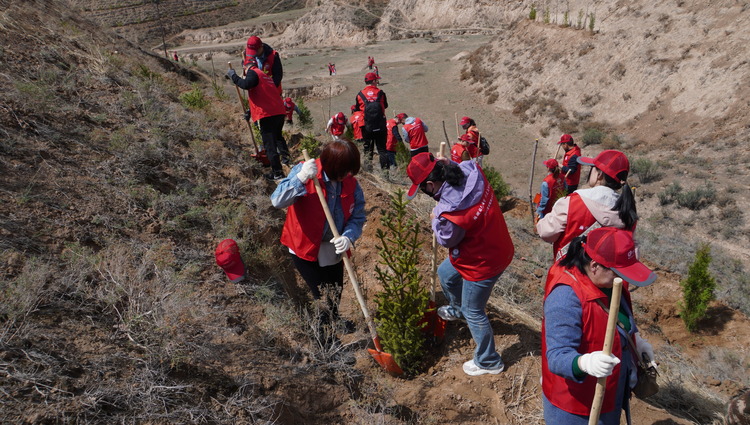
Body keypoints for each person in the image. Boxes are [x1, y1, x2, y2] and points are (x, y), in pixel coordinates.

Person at [406, 153, 514, 376]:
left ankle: (489, 360)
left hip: (483, 262)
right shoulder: (472, 173)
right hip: (494, 243)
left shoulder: (451, 212)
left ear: (430, 185)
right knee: (445, 274)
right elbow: (465, 164)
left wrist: (435, 218)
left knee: (475, 311)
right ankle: (457, 309)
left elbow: (447, 239)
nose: (425, 194)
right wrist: (450, 164)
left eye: (423, 189)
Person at [542, 227, 657, 425]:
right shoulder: (565, 297)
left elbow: (620, 318)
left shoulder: (610, 282)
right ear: (595, 266)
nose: (624, 279)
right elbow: (556, 357)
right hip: (577, 406)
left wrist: (635, 341)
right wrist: (584, 363)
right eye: (619, 273)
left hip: (610, 392)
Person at [271, 140, 366, 337]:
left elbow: (358, 216)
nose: (348, 176)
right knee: (321, 296)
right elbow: (277, 201)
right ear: (332, 166)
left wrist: (348, 237)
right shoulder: (306, 171)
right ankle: (325, 340)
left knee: (336, 290)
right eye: (345, 171)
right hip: (304, 244)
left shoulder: (350, 183)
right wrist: (301, 178)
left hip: (333, 247)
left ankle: (334, 319)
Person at [537, 150, 638, 261]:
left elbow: (546, 233)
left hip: (571, 273)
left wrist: (540, 222)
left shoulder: (572, 202)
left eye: (592, 168)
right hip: (605, 276)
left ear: (599, 174)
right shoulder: (628, 212)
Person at [227, 62, 288, 180]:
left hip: (268, 115)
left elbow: (245, 84)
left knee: (269, 144)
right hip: (278, 112)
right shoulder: (264, 76)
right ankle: (285, 160)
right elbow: (263, 97)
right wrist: (250, 112)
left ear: (245, 67)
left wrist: (233, 76)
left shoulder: (252, 72)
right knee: (277, 138)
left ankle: (277, 172)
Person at [354, 72, 389, 169]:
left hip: (367, 127)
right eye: (376, 80)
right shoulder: (381, 93)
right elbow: (385, 106)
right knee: (382, 151)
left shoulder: (360, 95)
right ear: (373, 81)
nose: (377, 82)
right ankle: (385, 174)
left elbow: (357, 109)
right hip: (380, 126)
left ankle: (369, 171)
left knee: (368, 150)